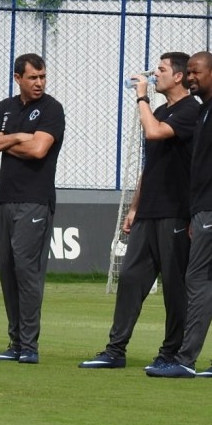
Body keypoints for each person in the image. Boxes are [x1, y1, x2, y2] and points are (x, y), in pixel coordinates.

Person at [78, 52, 199, 370]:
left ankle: (171, 352)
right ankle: (115, 350)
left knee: (175, 287)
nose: (154, 74)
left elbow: (154, 133)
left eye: (161, 69)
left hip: (176, 212)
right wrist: (134, 207)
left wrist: (141, 97)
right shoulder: (159, 110)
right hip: (149, 212)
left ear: (178, 77)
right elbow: (151, 166)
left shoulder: (190, 111)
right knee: (131, 278)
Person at [147, 51, 212, 379]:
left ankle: (186, 358)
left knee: (199, 279)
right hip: (206, 209)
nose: (191, 77)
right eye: (188, 72)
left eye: (196, 72)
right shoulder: (206, 109)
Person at [0, 53, 65, 365]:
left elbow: (38, 149)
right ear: (18, 78)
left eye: (42, 77)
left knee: (27, 274)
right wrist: (15, 137)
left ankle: (29, 346)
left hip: (34, 201)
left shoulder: (52, 109)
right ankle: (15, 343)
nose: (39, 83)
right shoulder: (6, 107)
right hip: (5, 200)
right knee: (8, 272)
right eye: (32, 78)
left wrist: (3, 141)